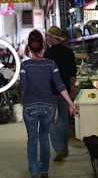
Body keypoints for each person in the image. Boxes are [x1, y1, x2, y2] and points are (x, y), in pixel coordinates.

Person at [19, 30, 76, 178]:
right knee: (44, 137)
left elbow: (23, 88)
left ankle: (34, 171)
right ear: (42, 47)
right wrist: (71, 103)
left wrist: (15, 80)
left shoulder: (25, 66)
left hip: (30, 106)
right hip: (48, 106)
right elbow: (61, 86)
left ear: (29, 47)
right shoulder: (51, 64)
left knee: (32, 139)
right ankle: (44, 170)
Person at [44, 26, 77, 161]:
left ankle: (58, 148)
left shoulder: (48, 54)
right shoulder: (69, 52)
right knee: (63, 121)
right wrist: (72, 89)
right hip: (65, 92)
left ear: (53, 38)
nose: (46, 39)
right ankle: (64, 148)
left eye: (48, 36)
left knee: (50, 122)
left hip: (51, 91)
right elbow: (73, 75)